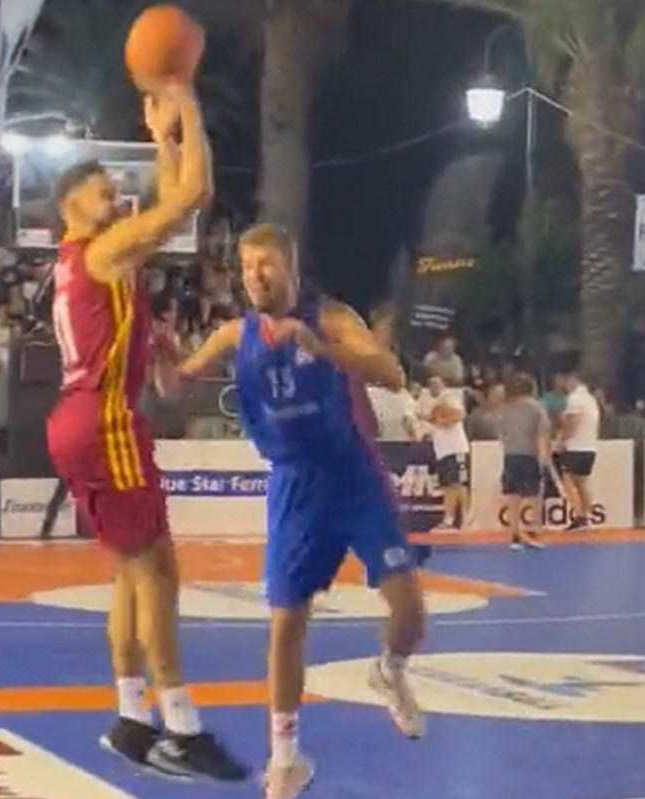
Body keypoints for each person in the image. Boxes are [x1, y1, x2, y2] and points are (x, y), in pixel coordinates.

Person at [169, 223, 426, 799]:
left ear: (290, 268)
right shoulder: (234, 335)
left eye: (265, 264)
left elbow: (392, 374)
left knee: (411, 614)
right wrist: (159, 358)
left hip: (352, 479)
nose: (254, 276)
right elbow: (176, 381)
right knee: (286, 624)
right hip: (295, 488)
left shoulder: (330, 318)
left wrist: (322, 349)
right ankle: (285, 758)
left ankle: (389, 670)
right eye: (245, 267)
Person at [42, 84, 246, 782]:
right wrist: (182, 107)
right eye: (103, 192)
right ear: (71, 204)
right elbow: (192, 194)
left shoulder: (94, 263)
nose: (116, 200)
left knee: (135, 570)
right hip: (103, 421)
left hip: (84, 417)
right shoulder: (100, 252)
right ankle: (182, 728)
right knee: (156, 572)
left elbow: (168, 200)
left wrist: (151, 344)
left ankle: (132, 717)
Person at [498, 373, 551, 550]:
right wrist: (543, 459)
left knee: (513, 496)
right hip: (530, 455)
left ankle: (514, 536)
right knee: (534, 496)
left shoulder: (505, 409)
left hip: (511, 456)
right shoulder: (537, 408)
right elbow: (541, 435)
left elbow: (502, 435)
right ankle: (535, 531)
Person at [418, 375, 470, 529]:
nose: (433, 387)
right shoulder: (429, 403)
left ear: (443, 385)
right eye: (430, 385)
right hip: (443, 451)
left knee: (459, 484)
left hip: (456, 449)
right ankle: (449, 518)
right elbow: (430, 419)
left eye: (436, 384)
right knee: (447, 486)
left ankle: (467, 517)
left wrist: (443, 420)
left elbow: (460, 414)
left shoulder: (449, 398)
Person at [552, 371, 600, 529]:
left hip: (576, 447)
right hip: (589, 446)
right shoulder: (590, 399)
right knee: (582, 484)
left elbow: (572, 423)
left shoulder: (575, 399)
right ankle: (586, 516)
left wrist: (560, 441)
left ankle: (579, 514)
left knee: (568, 480)